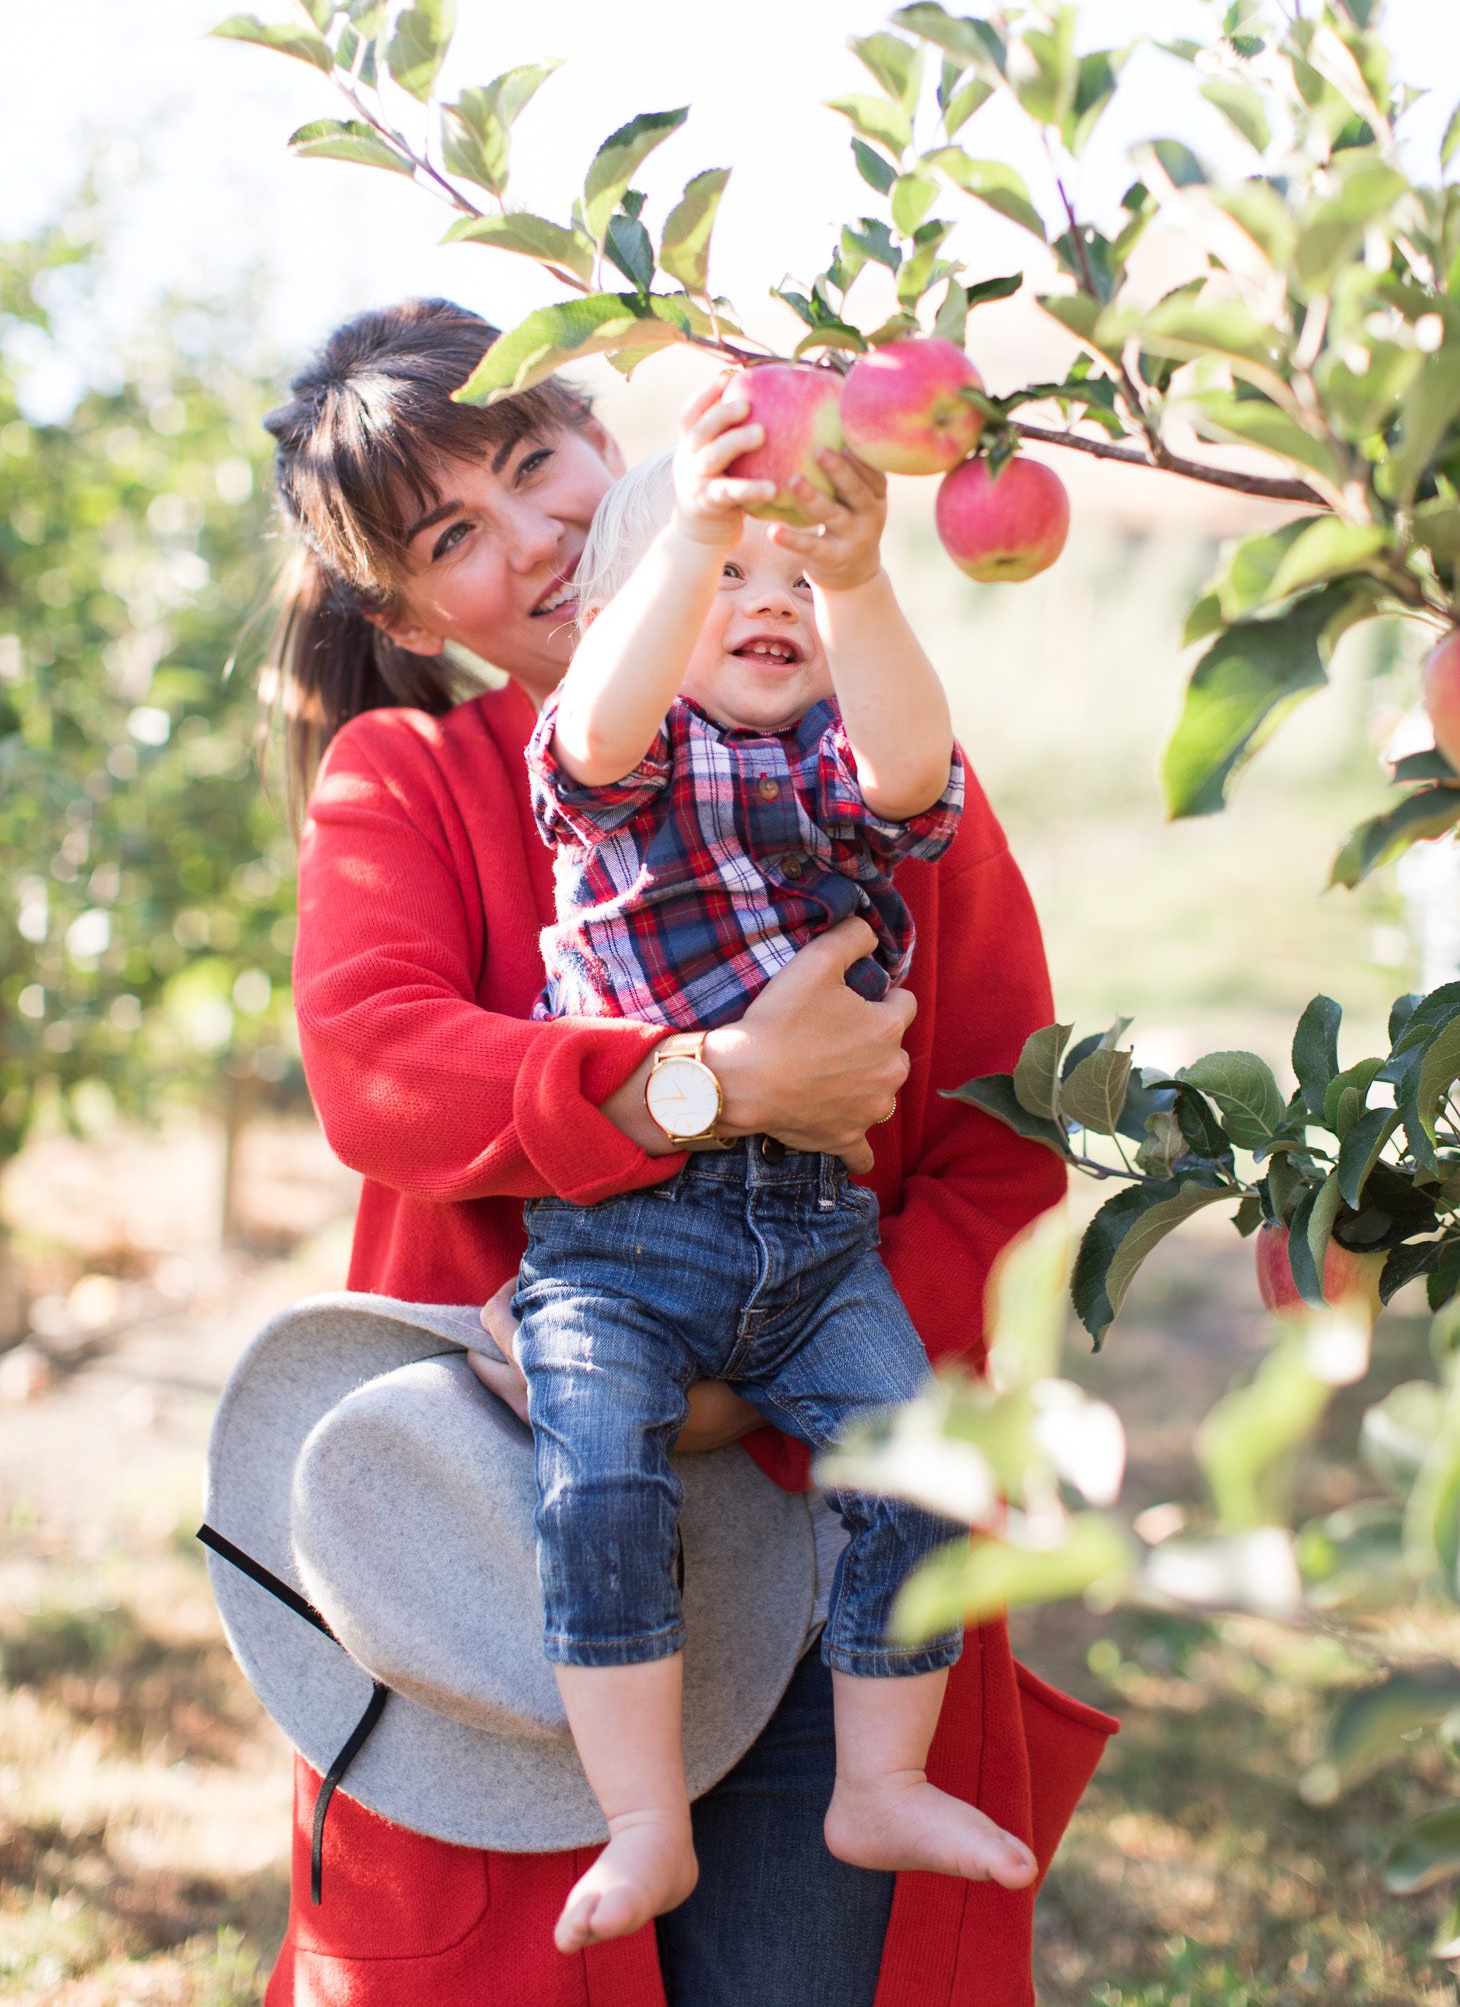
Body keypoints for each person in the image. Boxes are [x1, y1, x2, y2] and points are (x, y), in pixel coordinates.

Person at [260, 295, 1117, 2007]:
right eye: (457, 534)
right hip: (514, 1551)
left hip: (819, 1551)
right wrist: (710, 1082)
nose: (541, 533)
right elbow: (381, 1067)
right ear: (406, 611)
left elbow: (1002, 1142)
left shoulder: (860, 760)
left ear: (602, 430)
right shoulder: (412, 780)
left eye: (534, 461)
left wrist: (758, 1384)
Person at [514, 381, 1038, 1956]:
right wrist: (692, 527)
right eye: (726, 575)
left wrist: (865, 579)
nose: (767, 601)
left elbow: (906, 768)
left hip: (815, 1249)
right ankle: (643, 1815)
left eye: (793, 583)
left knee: (930, 1472)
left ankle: (877, 1774)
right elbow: (601, 720)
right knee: (595, 1477)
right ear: (627, 611)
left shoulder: (823, 778)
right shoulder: (608, 770)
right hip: (619, 1245)